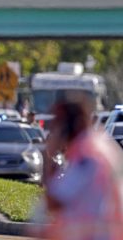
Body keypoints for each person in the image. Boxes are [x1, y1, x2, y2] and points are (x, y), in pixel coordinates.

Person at [37, 100, 123, 239]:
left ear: (64, 129)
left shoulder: (87, 154)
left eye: (55, 127)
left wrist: (49, 155)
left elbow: (54, 201)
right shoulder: (98, 145)